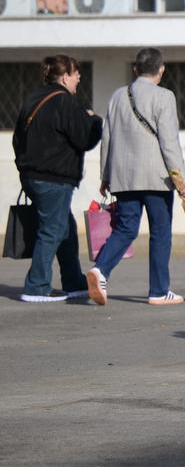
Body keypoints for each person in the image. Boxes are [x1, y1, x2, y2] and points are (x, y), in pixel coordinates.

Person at [87, 48, 185, 307]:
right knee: (160, 232)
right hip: (156, 178)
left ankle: (100, 270)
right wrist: (182, 180)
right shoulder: (164, 97)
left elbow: (107, 138)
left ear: (135, 69)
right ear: (161, 69)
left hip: (123, 177)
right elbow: (169, 143)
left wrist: (105, 176)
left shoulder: (117, 96)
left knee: (125, 229)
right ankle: (158, 290)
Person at [11, 55, 103, 302]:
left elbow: (17, 139)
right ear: (65, 77)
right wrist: (93, 120)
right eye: (76, 74)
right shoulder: (66, 103)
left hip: (32, 177)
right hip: (54, 179)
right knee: (53, 229)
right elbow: (85, 139)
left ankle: (73, 281)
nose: (79, 78)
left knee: (66, 227)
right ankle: (37, 286)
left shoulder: (32, 100)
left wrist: (24, 167)